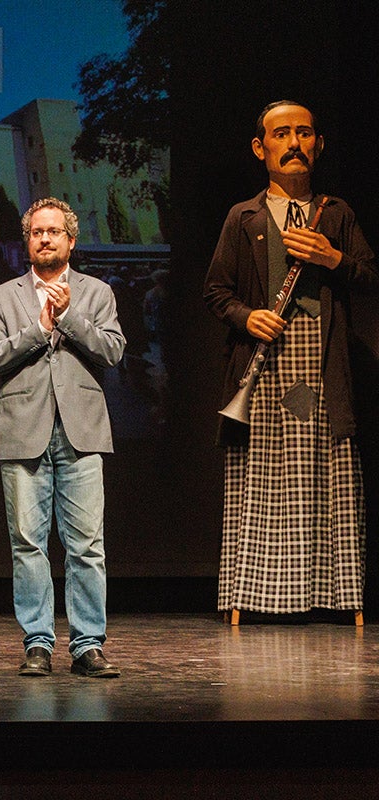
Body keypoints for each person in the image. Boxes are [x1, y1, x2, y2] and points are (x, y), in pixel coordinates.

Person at [203, 101, 377, 619]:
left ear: (318, 145)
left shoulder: (337, 214)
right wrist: (246, 316)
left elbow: (369, 277)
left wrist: (333, 259)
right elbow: (215, 291)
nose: (294, 143)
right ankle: (251, 597)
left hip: (324, 364)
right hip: (263, 367)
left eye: (304, 133)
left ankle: (335, 596)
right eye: (282, 134)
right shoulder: (245, 216)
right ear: (262, 149)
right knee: (262, 479)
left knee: (329, 477)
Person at [0, 197, 125, 678]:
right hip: (23, 430)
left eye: (53, 232)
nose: (45, 239)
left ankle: (87, 645)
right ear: (27, 243)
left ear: (70, 240)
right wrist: (40, 327)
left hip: (81, 431)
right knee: (28, 544)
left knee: (86, 546)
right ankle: (37, 643)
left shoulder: (98, 292)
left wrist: (71, 318)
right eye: (36, 232)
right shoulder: (1, 297)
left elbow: (113, 352)